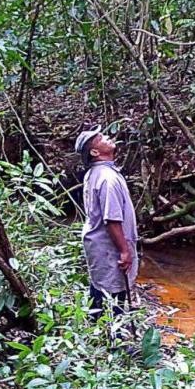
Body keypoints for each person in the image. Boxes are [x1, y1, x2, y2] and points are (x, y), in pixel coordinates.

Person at [75, 124, 139, 317]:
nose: (107, 137)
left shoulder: (96, 174)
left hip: (99, 244)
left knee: (100, 287)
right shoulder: (107, 178)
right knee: (113, 293)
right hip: (108, 246)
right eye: (101, 137)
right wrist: (124, 251)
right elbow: (111, 219)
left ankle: (97, 334)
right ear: (95, 151)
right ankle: (113, 340)